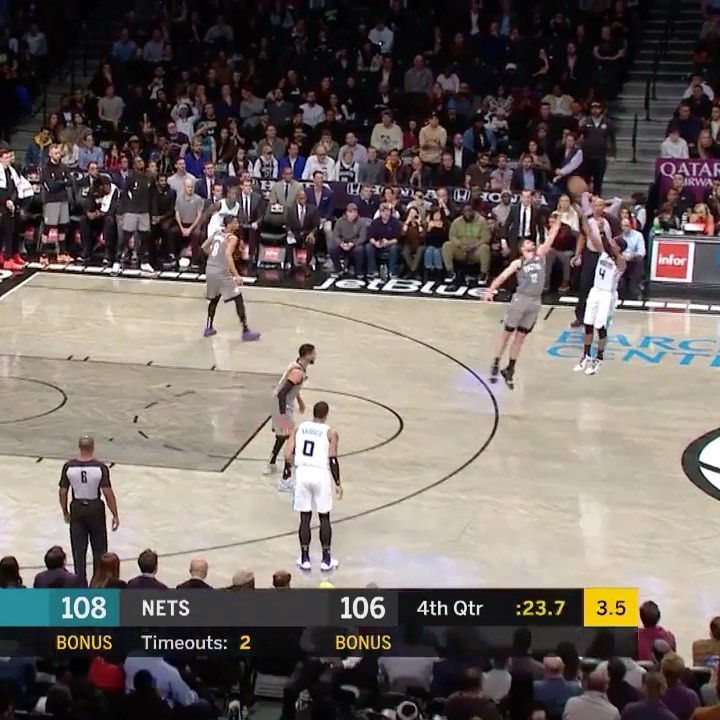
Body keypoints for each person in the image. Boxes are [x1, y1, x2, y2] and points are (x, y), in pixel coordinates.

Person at [483, 215, 561, 389]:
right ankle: (496, 360)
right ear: (522, 248)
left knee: (520, 337)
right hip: (521, 299)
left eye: (531, 242)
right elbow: (503, 276)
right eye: (527, 242)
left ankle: (510, 368)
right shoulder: (519, 262)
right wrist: (490, 290)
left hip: (535, 301)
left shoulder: (540, 256)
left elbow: (550, 238)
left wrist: (557, 222)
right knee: (507, 333)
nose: (531, 243)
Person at [283, 401, 342, 572]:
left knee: (305, 517)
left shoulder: (299, 429)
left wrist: (293, 467)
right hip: (320, 474)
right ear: (326, 414)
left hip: (303, 473)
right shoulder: (330, 433)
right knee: (324, 517)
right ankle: (326, 560)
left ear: (313, 413)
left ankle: (305, 558)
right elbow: (332, 458)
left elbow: (287, 454)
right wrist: (338, 482)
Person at [58, 435, 119, 585]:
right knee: (99, 548)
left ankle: (80, 582)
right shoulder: (100, 467)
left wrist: (65, 512)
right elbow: (107, 492)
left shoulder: (69, 466)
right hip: (95, 507)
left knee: (79, 549)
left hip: (77, 507)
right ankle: (98, 582)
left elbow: (63, 492)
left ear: (79, 447)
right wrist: (115, 514)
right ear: (92, 447)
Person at [573, 209, 626, 376]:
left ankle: (599, 358)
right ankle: (586, 356)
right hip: (595, 291)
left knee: (600, 326)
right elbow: (590, 235)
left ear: (620, 248)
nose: (612, 244)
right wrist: (584, 219)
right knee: (588, 324)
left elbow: (613, 251)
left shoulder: (621, 261)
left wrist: (603, 232)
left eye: (615, 244)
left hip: (607, 295)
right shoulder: (603, 253)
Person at [201, 215, 261, 341]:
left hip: (210, 269)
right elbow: (228, 256)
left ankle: (208, 327)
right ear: (229, 224)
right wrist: (236, 275)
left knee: (214, 298)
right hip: (221, 272)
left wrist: (214, 256)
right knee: (238, 298)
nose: (237, 224)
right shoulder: (232, 238)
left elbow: (204, 247)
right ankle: (245, 331)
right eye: (235, 222)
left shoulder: (217, 233)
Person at [268, 343, 317, 472]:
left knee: (284, 435)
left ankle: (274, 462)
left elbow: (292, 387)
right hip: (280, 405)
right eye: (313, 353)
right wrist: (283, 415)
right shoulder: (297, 372)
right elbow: (282, 393)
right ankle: (286, 465)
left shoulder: (298, 366)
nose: (315, 356)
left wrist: (300, 401)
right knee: (288, 435)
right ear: (307, 355)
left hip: (282, 404)